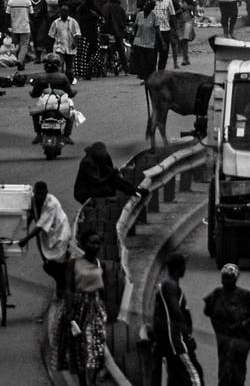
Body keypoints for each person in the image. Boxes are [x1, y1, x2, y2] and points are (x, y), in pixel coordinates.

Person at [56, 230, 107, 386]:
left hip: (95, 308)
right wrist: (69, 312)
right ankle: (83, 381)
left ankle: (91, 380)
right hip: (78, 308)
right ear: (84, 245)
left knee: (96, 347)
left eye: (98, 242)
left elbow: (104, 289)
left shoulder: (101, 264)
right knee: (79, 348)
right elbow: (69, 288)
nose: (95, 246)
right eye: (92, 242)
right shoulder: (73, 263)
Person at [203, 264, 250, 386]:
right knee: (225, 363)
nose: (226, 281)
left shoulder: (245, 295)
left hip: (242, 337)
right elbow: (207, 311)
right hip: (224, 337)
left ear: (235, 279)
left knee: (237, 364)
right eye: (225, 277)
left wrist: (245, 323)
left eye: (229, 278)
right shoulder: (216, 294)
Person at [152, 252, 204, 386]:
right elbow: (176, 311)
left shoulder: (168, 286)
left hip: (172, 343)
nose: (185, 269)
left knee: (176, 380)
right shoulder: (170, 286)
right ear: (178, 268)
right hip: (177, 343)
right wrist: (187, 335)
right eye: (183, 266)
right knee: (195, 378)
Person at [17, 181, 72, 298]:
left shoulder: (51, 204)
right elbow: (31, 215)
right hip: (46, 234)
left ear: (46, 193)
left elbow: (39, 227)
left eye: (42, 194)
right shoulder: (32, 200)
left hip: (59, 232)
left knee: (56, 262)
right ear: (34, 193)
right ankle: (60, 281)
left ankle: (62, 283)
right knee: (47, 261)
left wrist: (26, 239)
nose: (39, 196)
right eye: (37, 194)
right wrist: (19, 230)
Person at [73, 142, 147, 204]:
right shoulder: (87, 162)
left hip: (96, 184)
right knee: (108, 189)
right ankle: (95, 205)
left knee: (115, 181)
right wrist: (110, 175)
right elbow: (97, 182)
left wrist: (133, 190)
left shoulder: (103, 157)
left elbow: (114, 178)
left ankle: (134, 191)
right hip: (83, 191)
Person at [29, 52, 76, 144]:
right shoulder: (63, 77)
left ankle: (38, 134)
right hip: (59, 105)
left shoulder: (40, 77)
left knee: (34, 113)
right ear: (58, 64)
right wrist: (73, 93)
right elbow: (69, 93)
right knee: (72, 114)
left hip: (44, 105)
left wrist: (32, 93)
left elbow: (35, 93)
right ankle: (66, 136)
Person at [48, 5, 81, 82]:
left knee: (69, 67)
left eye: (66, 11)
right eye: (63, 11)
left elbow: (77, 34)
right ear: (60, 12)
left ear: (68, 12)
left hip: (70, 47)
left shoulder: (73, 22)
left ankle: (68, 80)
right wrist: (50, 48)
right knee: (60, 65)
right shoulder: (56, 23)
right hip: (59, 47)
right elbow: (51, 35)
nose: (64, 13)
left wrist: (75, 43)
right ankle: (60, 81)